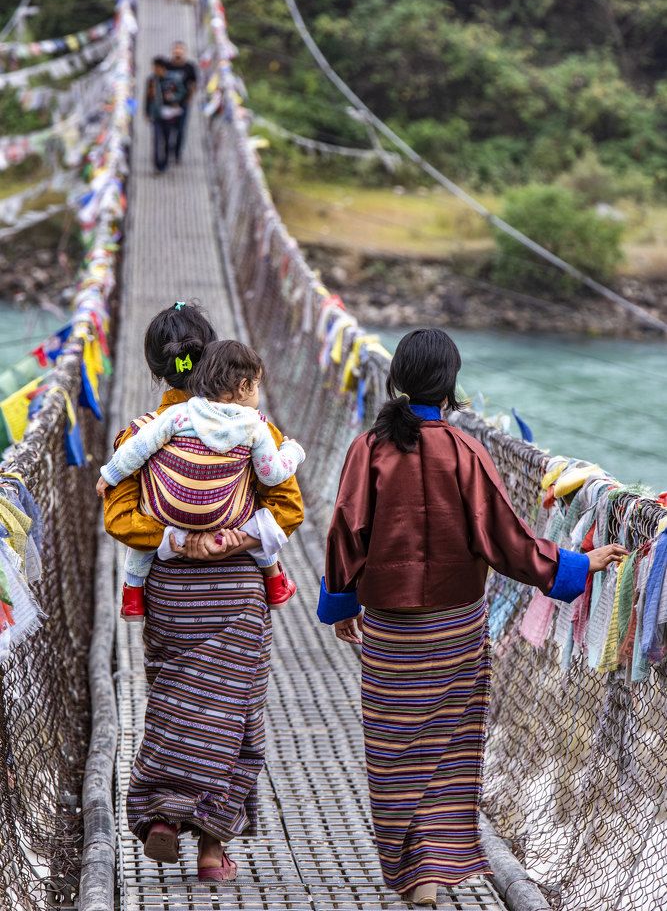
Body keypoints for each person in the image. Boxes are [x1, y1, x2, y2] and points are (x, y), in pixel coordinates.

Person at [318, 327, 627, 908]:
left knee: (392, 744)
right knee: (448, 742)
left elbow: (344, 531)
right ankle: (434, 866)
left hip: (388, 628)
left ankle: (413, 871)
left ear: (398, 379)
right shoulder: (466, 453)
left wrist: (342, 603)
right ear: (451, 384)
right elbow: (508, 541)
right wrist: (578, 564)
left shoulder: (369, 450)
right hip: (456, 629)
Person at [102, 301, 304, 881]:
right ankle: (214, 851)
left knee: (173, 702)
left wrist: (175, 541)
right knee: (235, 716)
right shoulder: (254, 429)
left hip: (170, 593)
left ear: (156, 366)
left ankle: (164, 814)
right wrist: (234, 540)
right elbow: (288, 507)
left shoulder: (139, 434)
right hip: (237, 592)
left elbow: (119, 517)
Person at [97, 338, 304, 619]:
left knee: (143, 524)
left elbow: (123, 509)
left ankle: (132, 597)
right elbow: (277, 485)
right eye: (256, 386)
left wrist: (110, 474)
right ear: (243, 386)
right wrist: (293, 452)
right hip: (238, 585)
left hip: (167, 603)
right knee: (260, 520)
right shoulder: (258, 426)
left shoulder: (170, 418)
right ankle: (276, 582)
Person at [144, 56, 187, 173]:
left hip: (170, 115)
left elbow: (182, 92)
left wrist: (174, 98)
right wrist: (146, 112)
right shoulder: (151, 80)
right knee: (157, 140)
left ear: (162, 68)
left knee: (168, 139)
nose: (154, 70)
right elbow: (147, 97)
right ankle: (158, 165)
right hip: (157, 114)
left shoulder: (174, 79)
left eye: (156, 68)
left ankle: (166, 161)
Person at [165, 41, 197, 163]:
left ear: (184, 52)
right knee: (167, 129)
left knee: (181, 129)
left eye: (180, 49)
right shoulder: (167, 66)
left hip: (182, 103)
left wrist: (189, 99)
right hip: (167, 104)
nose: (178, 52)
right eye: (176, 49)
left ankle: (177, 153)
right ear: (172, 51)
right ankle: (167, 152)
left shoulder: (189, 67)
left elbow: (193, 84)